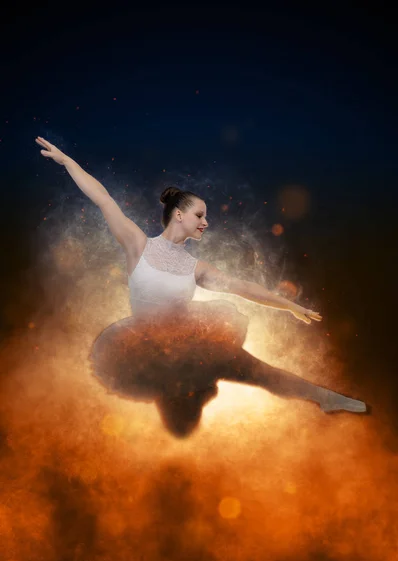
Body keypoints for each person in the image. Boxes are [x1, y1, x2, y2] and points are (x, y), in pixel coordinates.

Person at [36, 136, 369, 437]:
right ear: (178, 214)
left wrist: (290, 305)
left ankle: (325, 397)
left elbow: (243, 287)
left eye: (206, 216)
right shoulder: (138, 245)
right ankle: (182, 397)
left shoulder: (196, 268)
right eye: (199, 215)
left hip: (191, 345)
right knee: (180, 420)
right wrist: (66, 161)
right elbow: (103, 198)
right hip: (147, 350)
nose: (205, 222)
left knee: (259, 371)